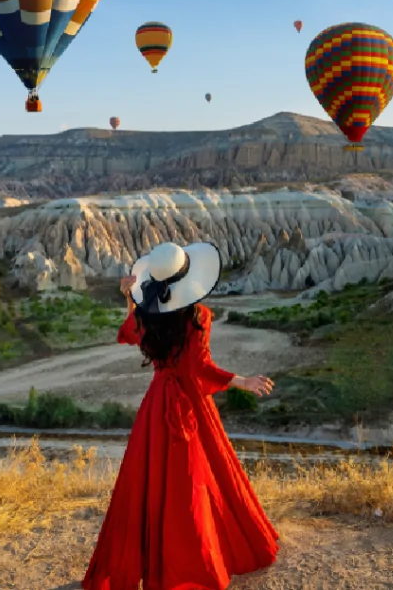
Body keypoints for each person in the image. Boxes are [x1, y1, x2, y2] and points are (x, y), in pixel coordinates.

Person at [83, 241, 279, 590]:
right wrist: (242, 381)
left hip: (157, 405)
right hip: (188, 406)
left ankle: (154, 560)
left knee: (150, 483)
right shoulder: (198, 316)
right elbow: (197, 369)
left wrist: (131, 300)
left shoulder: (146, 311)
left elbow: (129, 334)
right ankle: (193, 560)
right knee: (195, 483)